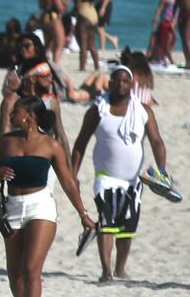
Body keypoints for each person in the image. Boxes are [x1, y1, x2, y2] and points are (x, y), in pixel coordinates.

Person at [0, 96, 94, 297]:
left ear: (29, 115)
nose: (11, 115)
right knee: (14, 274)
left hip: (41, 206)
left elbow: (68, 182)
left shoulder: (51, 145)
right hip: (12, 207)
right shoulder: (7, 142)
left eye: (15, 111)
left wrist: (83, 214)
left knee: (30, 269)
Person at [71, 66, 170, 283]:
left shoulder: (143, 111)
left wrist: (161, 170)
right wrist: (73, 175)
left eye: (126, 81)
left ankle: (120, 270)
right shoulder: (97, 110)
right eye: (117, 81)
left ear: (131, 84)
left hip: (133, 181)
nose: (121, 84)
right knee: (107, 222)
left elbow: (157, 141)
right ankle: (106, 271)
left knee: (127, 227)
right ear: (110, 83)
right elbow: (80, 144)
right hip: (106, 178)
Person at [36, 0, 67, 69]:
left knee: (47, 44)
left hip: (44, 17)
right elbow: (59, 8)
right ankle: (55, 65)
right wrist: (65, 4)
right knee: (59, 43)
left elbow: (41, 6)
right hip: (53, 18)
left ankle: (43, 63)